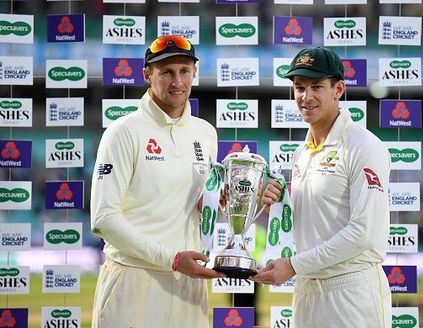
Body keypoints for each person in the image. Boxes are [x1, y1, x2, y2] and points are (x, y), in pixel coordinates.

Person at [251, 47, 392, 327]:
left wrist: (292, 266)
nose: (306, 96)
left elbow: (363, 233)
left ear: (338, 89)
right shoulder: (301, 153)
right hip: (307, 290)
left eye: (317, 86)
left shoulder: (364, 147)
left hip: (351, 293)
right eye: (299, 87)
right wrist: (276, 203)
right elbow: (316, 223)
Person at [90, 35, 224, 328]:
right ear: (147, 75)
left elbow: (194, 206)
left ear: (195, 73)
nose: (177, 82)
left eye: (184, 71)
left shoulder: (205, 133)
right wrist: (172, 259)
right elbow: (104, 218)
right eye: (166, 72)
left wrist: (221, 201)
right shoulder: (124, 131)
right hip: (135, 279)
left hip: (189, 284)